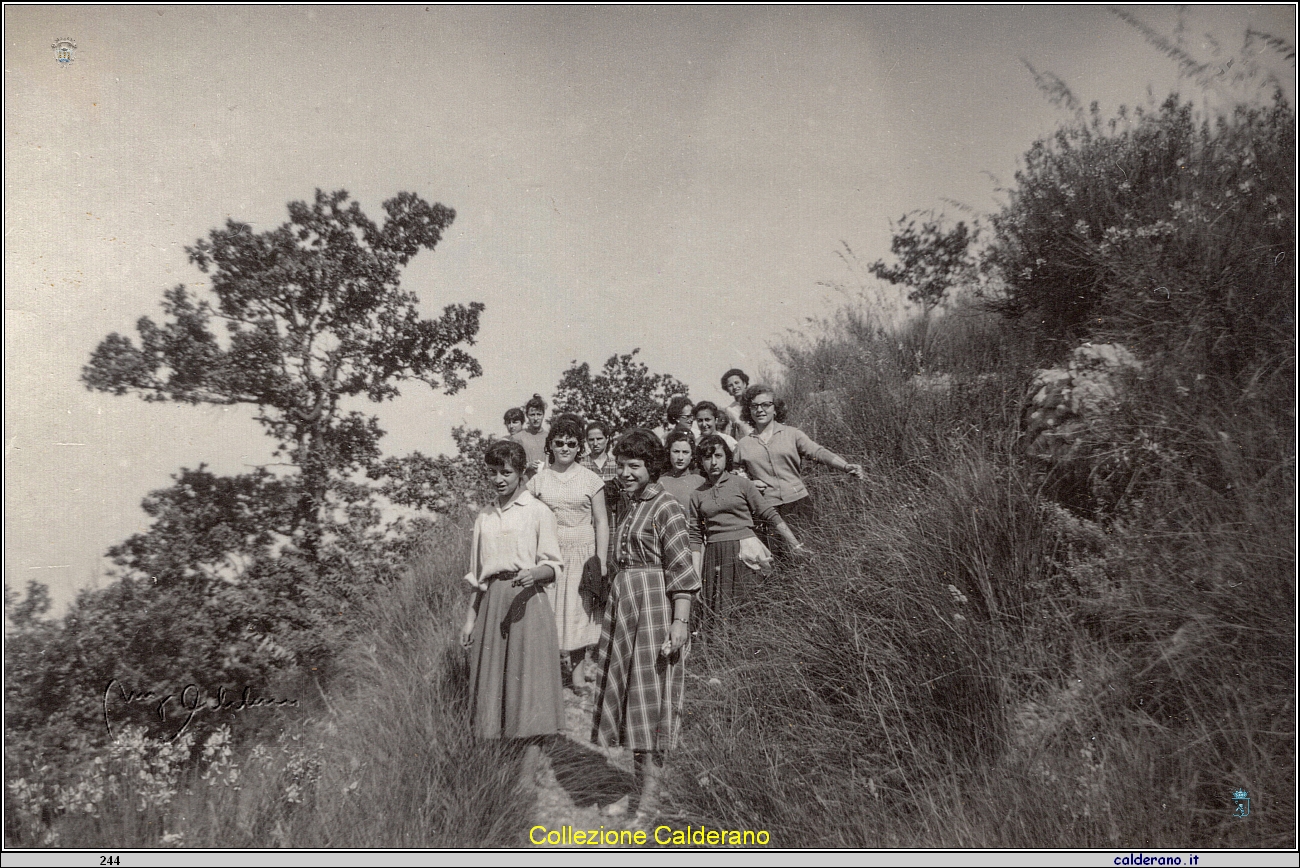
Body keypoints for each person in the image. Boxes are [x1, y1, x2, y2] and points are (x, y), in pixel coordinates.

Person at [589, 428, 700, 823]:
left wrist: (680, 622)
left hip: (655, 609)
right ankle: (638, 795)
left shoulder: (666, 506)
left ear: (651, 466)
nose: (625, 472)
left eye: (634, 465)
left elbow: (683, 571)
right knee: (634, 706)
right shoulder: (632, 505)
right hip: (627, 609)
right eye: (620, 465)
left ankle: (650, 806)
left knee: (651, 709)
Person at [460, 439, 565, 761]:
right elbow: (479, 578)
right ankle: (498, 776)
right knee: (491, 687)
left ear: (521, 473)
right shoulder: (485, 518)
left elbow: (554, 566)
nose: (498, 479)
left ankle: (527, 780)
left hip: (527, 604)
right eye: (492, 472)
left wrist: (536, 573)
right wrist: (470, 620)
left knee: (528, 689)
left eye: (505, 472)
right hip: (492, 604)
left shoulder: (537, 512)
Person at [527, 417, 609, 691]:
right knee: (549, 613)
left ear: (579, 447)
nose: (564, 448)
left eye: (571, 444)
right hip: (551, 555)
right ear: (550, 445)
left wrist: (601, 560)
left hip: (583, 554)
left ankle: (577, 676)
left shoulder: (591, 480)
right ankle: (548, 674)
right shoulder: (537, 481)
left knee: (577, 614)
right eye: (559, 443)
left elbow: (601, 522)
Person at [689, 434, 803, 631]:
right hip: (715, 557)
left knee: (748, 611)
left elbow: (769, 514)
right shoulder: (697, 494)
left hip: (745, 552)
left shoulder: (742, 484)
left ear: (726, 457)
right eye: (707, 458)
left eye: (718, 455)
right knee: (718, 615)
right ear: (701, 461)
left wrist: (796, 545)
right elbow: (695, 537)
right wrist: (696, 578)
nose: (714, 462)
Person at [733, 383, 865, 542]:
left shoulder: (792, 434)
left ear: (775, 409)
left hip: (798, 504)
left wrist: (845, 466)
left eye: (766, 404)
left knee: (810, 551)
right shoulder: (743, 444)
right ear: (749, 411)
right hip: (767, 509)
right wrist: (750, 484)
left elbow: (817, 452)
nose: (760, 410)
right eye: (754, 406)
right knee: (780, 560)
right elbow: (735, 476)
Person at [657, 429, 705, 511]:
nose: (680, 458)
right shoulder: (659, 482)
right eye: (676, 451)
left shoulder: (700, 482)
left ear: (692, 455)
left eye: (685, 452)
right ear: (668, 453)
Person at [511, 394, 550, 475]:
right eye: (532, 415)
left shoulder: (550, 437)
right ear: (527, 416)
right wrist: (528, 465)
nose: (536, 418)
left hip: (545, 482)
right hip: (525, 483)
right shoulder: (518, 438)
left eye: (539, 414)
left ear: (543, 415)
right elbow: (511, 464)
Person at [720, 368, 752, 439]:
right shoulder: (729, 410)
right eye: (730, 385)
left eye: (737, 383)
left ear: (744, 384)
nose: (734, 387)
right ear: (728, 390)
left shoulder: (755, 403)